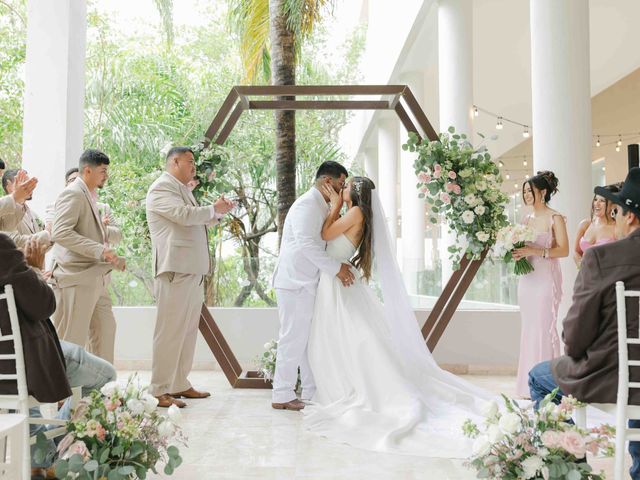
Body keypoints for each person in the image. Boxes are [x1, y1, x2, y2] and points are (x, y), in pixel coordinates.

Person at [301, 175, 491, 457]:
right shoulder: (356, 212)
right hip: (336, 279)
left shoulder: (354, 212)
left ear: (355, 193)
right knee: (343, 334)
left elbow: (324, 235)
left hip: (338, 280)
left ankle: (364, 385)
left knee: (352, 335)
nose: (343, 188)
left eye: (347, 186)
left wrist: (333, 206)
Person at [528, 167, 640, 479]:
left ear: (629, 216)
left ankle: (572, 470)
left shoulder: (602, 259)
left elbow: (575, 339)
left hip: (612, 377)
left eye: (616, 211)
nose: (615, 218)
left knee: (539, 377)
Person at [0, 233, 117, 477]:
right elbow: (43, 305)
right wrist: (33, 267)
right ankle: (54, 454)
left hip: (6, 367)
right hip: (22, 360)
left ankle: (38, 461)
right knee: (105, 375)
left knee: (24, 390)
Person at [145, 146, 234, 408]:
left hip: (191, 270)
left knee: (185, 332)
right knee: (169, 331)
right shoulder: (161, 187)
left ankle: (179, 383)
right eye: (190, 161)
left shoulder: (183, 189)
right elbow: (183, 216)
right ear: (174, 162)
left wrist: (217, 212)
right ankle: (159, 388)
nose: (194, 166)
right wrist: (211, 209)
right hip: (174, 270)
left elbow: (196, 219)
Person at [271, 161, 355, 411]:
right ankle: (282, 394)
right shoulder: (308, 204)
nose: (343, 189)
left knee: (305, 340)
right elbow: (307, 245)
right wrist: (336, 269)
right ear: (328, 182)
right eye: (341, 183)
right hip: (295, 281)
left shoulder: (322, 205)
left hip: (306, 281)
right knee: (292, 339)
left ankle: (310, 390)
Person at [50, 149, 124, 363]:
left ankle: (103, 393)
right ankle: (65, 395)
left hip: (98, 278)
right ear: (88, 170)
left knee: (106, 332)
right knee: (72, 341)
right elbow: (60, 232)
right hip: (77, 278)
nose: (106, 176)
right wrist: (100, 250)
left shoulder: (92, 197)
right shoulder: (72, 193)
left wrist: (109, 255)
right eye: (103, 171)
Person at [512, 171, 569, 398]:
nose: (526, 194)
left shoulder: (555, 218)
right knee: (529, 328)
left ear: (543, 192)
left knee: (544, 328)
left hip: (545, 280)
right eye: (524, 191)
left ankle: (547, 384)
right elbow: (523, 248)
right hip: (527, 280)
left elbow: (563, 250)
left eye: (530, 190)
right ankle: (527, 385)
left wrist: (537, 250)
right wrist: (516, 254)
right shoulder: (526, 220)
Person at [573, 183, 620, 267]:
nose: (596, 204)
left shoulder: (617, 228)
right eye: (595, 199)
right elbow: (576, 252)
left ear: (613, 205)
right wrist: (581, 266)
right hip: (586, 277)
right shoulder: (585, 225)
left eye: (602, 201)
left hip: (607, 276)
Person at [2, 168, 50, 249]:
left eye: (29, 182)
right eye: (25, 182)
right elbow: (13, 242)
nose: (30, 187)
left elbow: (45, 244)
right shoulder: (4, 213)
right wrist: (47, 234)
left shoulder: (33, 214)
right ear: (9, 185)